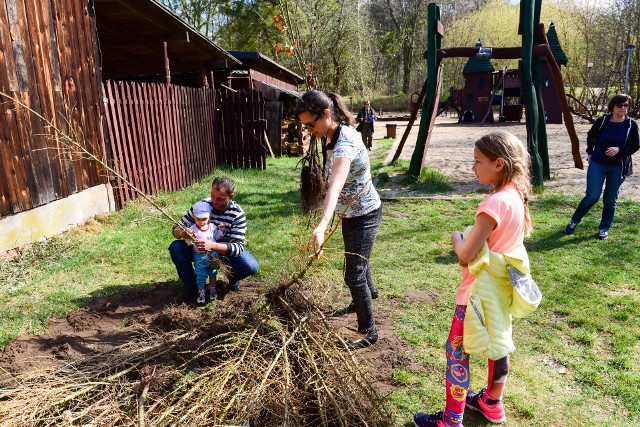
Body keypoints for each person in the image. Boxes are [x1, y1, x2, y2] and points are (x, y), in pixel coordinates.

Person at [414, 131, 533, 427]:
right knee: (499, 343)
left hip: (476, 293)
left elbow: (466, 254)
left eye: (478, 161)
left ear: (499, 164)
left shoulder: (493, 204)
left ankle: (451, 419)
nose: (473, 167)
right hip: (501, 290)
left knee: (456, 352)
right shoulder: (517, 195)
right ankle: (492, 403)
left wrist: (457, 237)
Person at [295, 90, 382, 349]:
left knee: (352, 273)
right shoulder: (332, 134)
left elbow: (334, 186)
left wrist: (321, 226)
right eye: (305, 126)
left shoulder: (345, 144)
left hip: (364, 214)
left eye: (311, 124)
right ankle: (369, 294)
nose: (309, 130)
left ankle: (368, 331)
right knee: (357, 259)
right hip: (351, 212)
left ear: (326, 114)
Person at [169, 176, 259, 298]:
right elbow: (175, 229)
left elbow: (238, 247)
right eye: (213, 196)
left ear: (230, 197)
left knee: (250, 266)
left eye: (220, 199)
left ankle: (230, 279)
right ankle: (192, 287)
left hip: (224, 253)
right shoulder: (201, 207)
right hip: (198, 252)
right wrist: (183, 233)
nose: (214, 202)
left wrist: (211, 245)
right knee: (176, 247)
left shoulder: (237, 214)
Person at [565, 94, 639, 240]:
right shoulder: (603, 120)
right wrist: (590, 152)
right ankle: (574, 220)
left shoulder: (631, 125)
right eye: (620, 105)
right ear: (612, 107)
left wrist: (619, 150)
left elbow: (635, 145)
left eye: (626, 105)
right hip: (598, 163)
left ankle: (604, 228)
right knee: (592, 196)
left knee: (610, 199)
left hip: (618, 167)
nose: (623, 108)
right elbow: (591, 136)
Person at [187, 201, 225, 303]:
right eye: (198, 219)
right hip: (199, 256)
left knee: (213, 272)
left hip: (212, 254)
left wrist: (221, 231)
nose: (201, 222)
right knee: (200, 274)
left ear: (209, 216)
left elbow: (216, 237)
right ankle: (201, 290)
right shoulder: (193, 229)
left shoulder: (212, 227)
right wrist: (190, 236)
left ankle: (212, 288)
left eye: (204, 219)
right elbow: (189, 243)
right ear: (194, 217)